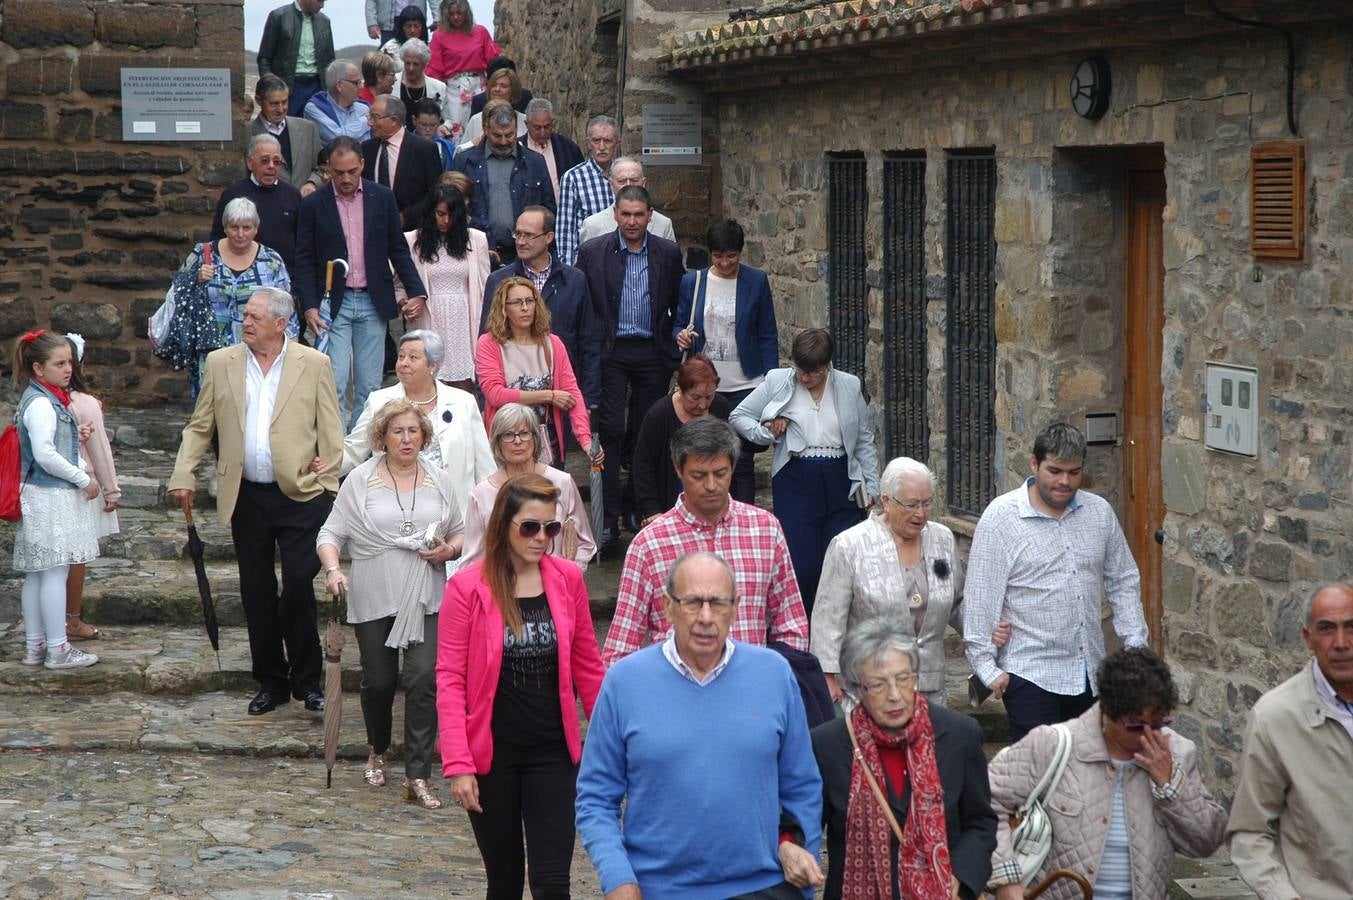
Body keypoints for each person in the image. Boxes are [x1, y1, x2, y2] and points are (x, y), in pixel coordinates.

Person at [577, 551, 824, 899]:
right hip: (660, 890)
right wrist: (618, 878)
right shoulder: (624, 682)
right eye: (693, 602)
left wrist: (801, 857)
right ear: (667, 605)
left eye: (718, 603)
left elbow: (803, 785)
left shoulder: (773, 674)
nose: (706, 617)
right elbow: (595, 798)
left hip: (764, 885)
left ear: (736, 607)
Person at [169, 287, 343, 716]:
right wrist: (183, 473)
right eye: (245, 315)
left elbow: (331, 427)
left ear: (281, 323)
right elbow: (199, 426)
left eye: (255, 317)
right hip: (247, 494)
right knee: (256, 589)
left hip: (302, 493)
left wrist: (330, 473)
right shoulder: (221, 362)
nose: (246, 322)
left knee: (299, 584)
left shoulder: (314, 363)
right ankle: (272, 681)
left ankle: (308, 681)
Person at [436, 473, 606, 899]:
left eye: (551, 527)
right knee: (505, 883)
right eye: (530, 527)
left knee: (552, 885)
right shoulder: (466, 588)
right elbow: (450, 679)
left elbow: (588, 667)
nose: (542, 538)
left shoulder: (567, 580)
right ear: (503, 526)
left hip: (553, 753)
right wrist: (458, 764)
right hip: (492, 759)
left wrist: (613, 741)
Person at [987, 647, 1226, 899]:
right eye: (1135, 725)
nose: (1148, 733)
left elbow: (1206, 842)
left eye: (1158, 723)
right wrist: (1006, 880)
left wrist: (1170, 785)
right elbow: (985, 804)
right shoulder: (1051, 745)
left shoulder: (1179, 752)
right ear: (1107, 713)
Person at [318, 398, 463, 810]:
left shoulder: (439, 479)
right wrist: (333, 570)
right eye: (397, 431)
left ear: (424, 436)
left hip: (425, 592)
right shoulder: (360, 480)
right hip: (374, 590)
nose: (406, 438)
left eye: (413, 431)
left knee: (422, 678)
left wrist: (448, 551)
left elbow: (461, 532)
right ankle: (378, 747)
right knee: (379, 681)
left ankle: (418, 775)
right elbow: (330, 534)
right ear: (381, 437)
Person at [962, 421, 1146, 743]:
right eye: (1055, 470)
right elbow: (981, 595)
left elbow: (1123, 579)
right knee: (1041, 777)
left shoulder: (1099, 513)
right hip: (1029, 673)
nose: (1065, 481)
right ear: (1034, 464)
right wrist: (986, 667)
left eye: (1074, 472)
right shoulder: (1001, 519)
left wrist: (1135, 645)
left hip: (1089, 671)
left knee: (1085, 771)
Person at [812, 618, 995, 900]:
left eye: (903, 679)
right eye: (879, 685)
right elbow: (802, 822)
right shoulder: (828, 745)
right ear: (857, 688)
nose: (895, 695)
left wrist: (961, 877)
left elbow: (981, 822)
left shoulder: (960, 735)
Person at [604, 416, 808, 666]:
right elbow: (621, 648)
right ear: (678, 469)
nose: (711, 485)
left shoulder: (765, 530)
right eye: (699, 475)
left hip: (749, 693)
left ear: (733, 467)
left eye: (720, 473)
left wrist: (775, 682)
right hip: (676, 695)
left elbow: (791, 624)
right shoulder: (649, 544)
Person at [730, 328, 879, 614]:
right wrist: (768, 433)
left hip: (840, 480)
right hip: (795, 480)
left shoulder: (848, 385)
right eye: (800, 369)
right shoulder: (778, 380)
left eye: (811, 372)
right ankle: (803, 631)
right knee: (802, 566)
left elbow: (863, 438)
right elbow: (739, 415)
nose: (803, 377)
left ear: (826, 367)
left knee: (839, 564)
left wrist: (872, 486)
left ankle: (836, 635)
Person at [1227, 582, 1353, 900]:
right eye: (1326, 629)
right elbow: (1249, 832)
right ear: (1307, 638)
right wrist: (1282, 895)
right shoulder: (1276, 718)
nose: (1341, 643)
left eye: (1351, 627)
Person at [575, 185, 684, 545]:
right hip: (610, 352)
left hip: (652, 352)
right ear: (616, 214)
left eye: (639, 214)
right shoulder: (593, 252)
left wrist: (674, 339)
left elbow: (677, 300)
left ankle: (640, 505)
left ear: (650, 216)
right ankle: (608, 515)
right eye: (626, 214)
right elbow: (583, 303)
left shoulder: (667, 253)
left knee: (644, 430)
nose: (633, 221)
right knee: (608, 431)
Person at [294, 135, 427, 429]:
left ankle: (361, 452)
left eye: (352, 171)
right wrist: (309, 307)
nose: (345, 178)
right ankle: (335, 453)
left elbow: (397, 248)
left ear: (362, 165)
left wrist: (416, 290)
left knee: (370, 386)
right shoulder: (314, 204)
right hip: (332, 305)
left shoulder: (382, 197)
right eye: (338, 172)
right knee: (334, 382)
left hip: (372, 299)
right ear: (328, 169)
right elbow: (303, 258)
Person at [812, 457, 964, 707]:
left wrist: (986, 637)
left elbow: (958, 601)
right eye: (912, 504)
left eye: (927, 503)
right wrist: (827, 676)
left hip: (929, 688)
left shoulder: (942, 539)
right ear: (886, 501)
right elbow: (828, 619)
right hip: (870, 688)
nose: (921, 513)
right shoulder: (849, 545)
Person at [340, 330, 495, 533]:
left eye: (413, 357)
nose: (403, 363)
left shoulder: (463, 402)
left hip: (456, 519)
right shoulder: (380, 401)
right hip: (398, 517)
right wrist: (318, 469)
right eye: (401, 356)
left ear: (432, 366)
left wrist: (491, 513)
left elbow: (484, 465)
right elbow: (353, 450)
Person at [12, 330, 100, 670]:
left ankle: (36, 646)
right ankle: (57, 648)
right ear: (38, 368)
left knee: (39, 573)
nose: (68, 369)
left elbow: (51, 446)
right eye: (59, 363)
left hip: (42, 495)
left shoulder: (46, 400)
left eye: (69, 363)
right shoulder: (41, 403)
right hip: (49, 496)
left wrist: (74, 438)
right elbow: (45, 454)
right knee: (52, 572)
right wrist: (82, 477)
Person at [674, 218, 778, 504]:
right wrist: (680, 336)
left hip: (747, 383)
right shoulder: (692, 282)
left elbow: (767, 333)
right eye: (718, 255)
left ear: (741, 253)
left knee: (742, 459)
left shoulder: (755, 281)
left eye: (731, 255)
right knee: (704, 453)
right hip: (707, 386)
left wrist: (772, 383)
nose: (724, 262)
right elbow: (680, 323)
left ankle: (743, 514)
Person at [482, 205, 599, 408]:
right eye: (517, 234)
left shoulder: (574, 280)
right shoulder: (498, 280)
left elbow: (589, 343)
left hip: (564, 398)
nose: (520, 241)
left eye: (528, 235)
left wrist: (588, 402)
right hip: (512, 400)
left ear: (549, 237)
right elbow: (487, 339)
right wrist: (485, 401)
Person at [461, 403, 596, 570]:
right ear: (497, 441)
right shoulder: (481, 494)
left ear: (535, 437)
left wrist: (569, 574)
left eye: (524, 433)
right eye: (508, 435)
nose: (518, 441)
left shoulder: (562, 482)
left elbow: (585, 543)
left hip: (555, 584)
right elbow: (471, 560)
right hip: (503, 587)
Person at [475, 277, 594, 465]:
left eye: (530, 301)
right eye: (517, 302)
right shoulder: (489, 343)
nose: (525, 308)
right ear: (503, 308)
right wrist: (549, 396)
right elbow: (494, 394)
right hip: (506, 440)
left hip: (544, 439)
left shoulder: (553, 343)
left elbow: (572, 393)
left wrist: (586, 440)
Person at [190, 196, 295, 395]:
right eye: (233, 227)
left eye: (246, 228)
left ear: (256, 229)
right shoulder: (203, 254)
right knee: (211, 409)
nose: (240, 234)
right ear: (224, 227)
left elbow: (286, 307)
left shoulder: (271, 260)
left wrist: (291, 345)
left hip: (257, 349)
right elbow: (179, 294)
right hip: (211, 349)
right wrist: (196, 278)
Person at [397, 187, 491, 393]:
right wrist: (405, 302)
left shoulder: (476, 239)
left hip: (465, 319)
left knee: (464, 384)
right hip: (429, 316)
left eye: (451, 215)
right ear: (430, 212)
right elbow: (400, 285)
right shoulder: (412, 240)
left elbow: (485, 286)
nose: (446, 221)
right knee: (427, 381)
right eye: (440, 214)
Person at [63, 334, 120, 643]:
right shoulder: (85, 403)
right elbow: (100, 451)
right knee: (76, 556)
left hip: (50, 487)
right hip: (84, 489)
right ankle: (72, 618)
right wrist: (112, 491)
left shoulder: (37, 400)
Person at [451, 101, 555, 266]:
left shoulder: (535, 163)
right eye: (497, 136)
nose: (504, 141)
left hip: (523, 256)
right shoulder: (464, 162)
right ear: (486, 129)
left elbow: (548, 211)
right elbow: (452, 209)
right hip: (474, 254)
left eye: (510, 135)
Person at [631, 354, 730, 526]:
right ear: (680, 389)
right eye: (695, 397)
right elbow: (643, 465)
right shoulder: (659, 415)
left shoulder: (720, 408)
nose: (702, 405)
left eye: (709, 397)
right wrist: (652, 511)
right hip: (669, 504)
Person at [209, 135, 302, 278]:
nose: (271, 166)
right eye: (265, 161)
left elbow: (302, 245)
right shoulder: (233, 194)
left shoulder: (293, 196)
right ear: (250, 163)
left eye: (276, 162)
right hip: (241, 279)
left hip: (284, 280)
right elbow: (217, 239)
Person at [361, 94, 443, 230]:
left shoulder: (424, 149)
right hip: (373, 230)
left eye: (375, 117)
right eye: (369, 117)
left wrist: (405, 218)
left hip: (413, 233)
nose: (370, 123)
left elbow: (435, 194)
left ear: (394, 120)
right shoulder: (367, 148)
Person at [424, 0, 500, 144]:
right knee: (455, 127)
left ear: (467, 13)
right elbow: (434, 68)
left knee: (483, 122)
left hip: (479, 85)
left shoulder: (480, 32)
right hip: (454, 88)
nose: (456, 17)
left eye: (459, 13)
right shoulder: (440, 35)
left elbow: (492, 60)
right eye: (452, 14)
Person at [555, 114, 619, 266]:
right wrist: (568, 272)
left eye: (608, 141)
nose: (602, 147)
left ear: (617, 144)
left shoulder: (626, 175)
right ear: (589, 143)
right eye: (596, 141)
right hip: (591, 262)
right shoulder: (573, 178)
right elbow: (566, 230)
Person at [576, 157, 677, 247]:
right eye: (622, 181)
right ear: (611, 184)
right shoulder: (592, 225)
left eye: (634, 180)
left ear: (644, 183)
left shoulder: (663, 224)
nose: (628, 185)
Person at [256, 0, 334, 116]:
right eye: (319, 0)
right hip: (287, 87)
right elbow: (264, 58)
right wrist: (271, 86)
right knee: (288, 129)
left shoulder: (324, 21)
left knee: (316, 130)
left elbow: (330, 60)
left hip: (317, 87)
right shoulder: (279, 17)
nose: (322, 5)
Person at [248, 75, 323, 195]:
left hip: (304, 206)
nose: (281, 109)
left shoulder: (308, 128)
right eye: (274, 104)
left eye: (284, 102)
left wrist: (312, 183)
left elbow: (322, 167)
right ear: (258, 100)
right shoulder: (247, 134)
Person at [520, 98, 583, 203]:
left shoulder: (567, 148)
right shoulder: (518, 149)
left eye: (547, 127)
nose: (542, 132)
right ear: (527, 124)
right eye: (537, 127)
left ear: (553, 123)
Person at [303, 60, 371, 144]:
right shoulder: (315, 108)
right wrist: (365, 120)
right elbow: (338, 140)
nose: (361, 87)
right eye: (357, 83)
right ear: (339, 85)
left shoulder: (363, 108)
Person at [462, 67, 527, 146]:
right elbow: (462, 151)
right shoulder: (476, 120)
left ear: (513, 92)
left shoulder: (524, 121)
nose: (497, 89)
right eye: (493, 85)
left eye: (503, 86)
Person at [397, 38, 447, 131]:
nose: (411, 68)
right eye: (407, 63)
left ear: (424, 64)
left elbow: (448, 119)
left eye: (415, 64)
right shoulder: (392, 83)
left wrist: (442, 127)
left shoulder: (439, 87)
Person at [468, 56, 534, 116]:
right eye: (494, 84)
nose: (497, 89)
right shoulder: (479, 101)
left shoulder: (525, 97)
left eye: (504, 86)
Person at [411, 97, 458, 170]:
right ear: (414, 120)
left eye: (432, 125)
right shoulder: (406, 144)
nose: (428, 129)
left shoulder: (447, 147)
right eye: (423, 125)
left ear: (439, 121)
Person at [379, 3, 429, 67]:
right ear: (402, 27)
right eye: (408, 26)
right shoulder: (390, 48)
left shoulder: (430, 47)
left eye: (416, 26)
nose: (412, 30)